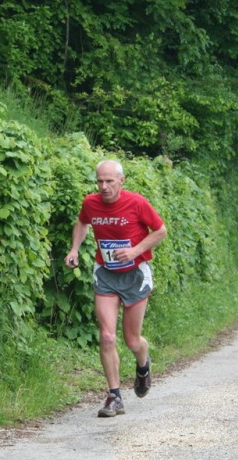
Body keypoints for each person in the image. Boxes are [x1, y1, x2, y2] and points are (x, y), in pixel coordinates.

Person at [64, 159, 167, 418]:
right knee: (107, 336)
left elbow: (160, 231)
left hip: (135, 275)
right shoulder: (91, 202)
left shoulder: (137, 203)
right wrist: (74, 248)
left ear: (122, 181)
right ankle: (114, 396)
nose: (104, 186)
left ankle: (143, 365)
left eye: (109, 181)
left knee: (133, 340)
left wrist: (135, 250)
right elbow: (82, 223)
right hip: (106, 274)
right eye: (100, 181)